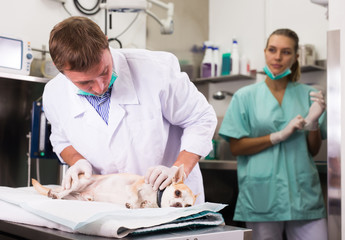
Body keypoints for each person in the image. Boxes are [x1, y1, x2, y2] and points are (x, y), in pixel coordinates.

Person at [42, 16, 217, 204]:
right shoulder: (55, 94)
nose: (101, 87)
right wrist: (77, 161)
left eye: (104, 71)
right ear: (62, 72)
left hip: (172, 200)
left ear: (106, 44)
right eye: (85, 83)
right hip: (110, 204)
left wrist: (177, 169)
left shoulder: (155, 69)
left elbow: (200, 118)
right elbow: (61, 140)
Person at [219, 29, 327, 240]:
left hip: (303, 195)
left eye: (286, 52)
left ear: (296, 58)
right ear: (265, 52)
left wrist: (313, 123)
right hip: (262, 196)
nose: (278, 57)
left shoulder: (308, 95)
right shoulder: (245, 96)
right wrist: (278, 136)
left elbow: (313, 151)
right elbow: (236, 147)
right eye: (272, 50)